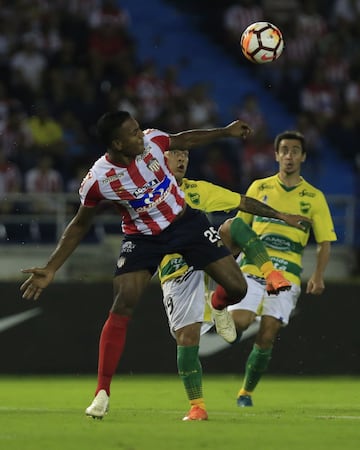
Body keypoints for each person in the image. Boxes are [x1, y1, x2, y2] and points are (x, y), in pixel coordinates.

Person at [20, 110, 258, 420]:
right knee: (123, 302)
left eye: (138, 129)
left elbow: (184, 139)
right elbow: (79, 225)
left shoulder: (153, 142)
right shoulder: (98, 180)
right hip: (143, 238)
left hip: (185, 223)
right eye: (133, 133)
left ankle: (218, 302)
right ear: (117, 143)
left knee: (238, 288)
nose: (141, 136)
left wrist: (225, 132)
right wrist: (51, 268)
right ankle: (102, 393)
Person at [160, 148, 311, 420]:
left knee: (233, 226)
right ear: (161, 159)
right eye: (175, 154)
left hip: (205, 251)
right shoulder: (147, 194)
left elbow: (244, 202)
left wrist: (282, 216)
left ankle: (269, 274)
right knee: (187, 338)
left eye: (185, 154)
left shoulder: (198, 189)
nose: (181, 159)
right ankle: (197, 406)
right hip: (177, 266)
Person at [217, 130, 337, 407]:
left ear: (303, 156)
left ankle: (245, 393)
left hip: (286, 274)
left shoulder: (314, 197)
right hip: (252, 267)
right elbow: (239, 226)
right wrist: (224, 260)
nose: (289, 156)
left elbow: (325, 242)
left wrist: (318, 275)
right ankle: (217, 309)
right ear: (276, 155)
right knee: (239, 324)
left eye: (295, 151)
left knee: (268, 331)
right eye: (284, 150)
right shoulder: (259, 188)